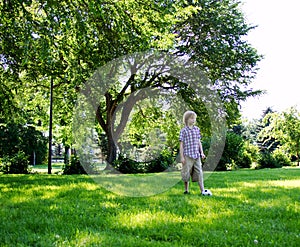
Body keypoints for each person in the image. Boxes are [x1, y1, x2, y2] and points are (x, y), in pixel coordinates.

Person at [179, 110, 211, 196]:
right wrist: (182, 157)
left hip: (196, 155)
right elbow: (181, 144)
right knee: (186, 173)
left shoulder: (197, 129)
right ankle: (186, 190)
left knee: (199, 172)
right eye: (191, 118)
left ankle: (202, 191)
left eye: (194, 118)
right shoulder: (183, 131)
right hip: (187, 155)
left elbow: (198, 142)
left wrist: (202, 152)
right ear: (186, 119)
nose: (193, 120)